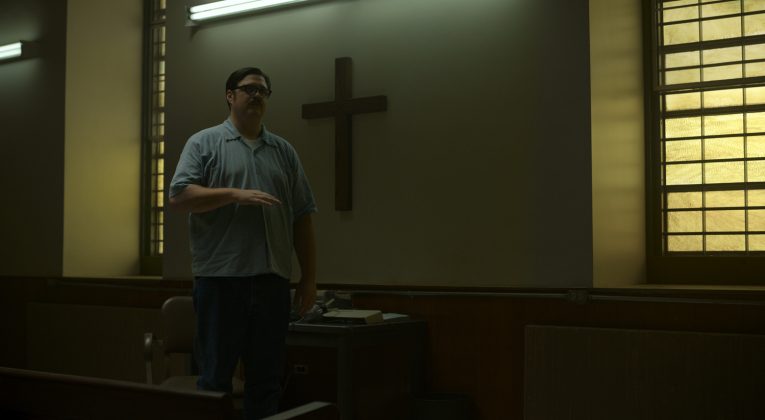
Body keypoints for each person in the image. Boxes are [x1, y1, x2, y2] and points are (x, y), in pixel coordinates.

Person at [168, 67, 318, 419]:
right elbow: (179, 196)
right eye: (249, 89)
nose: (257, 95)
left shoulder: (283, 151)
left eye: (263, 91)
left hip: (271, 282)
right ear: (230, 95)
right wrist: (234, 194)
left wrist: (309, 279)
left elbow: (303, 216)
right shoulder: (204, 143)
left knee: (266, 382)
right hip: (221, 281)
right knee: (215, 381)